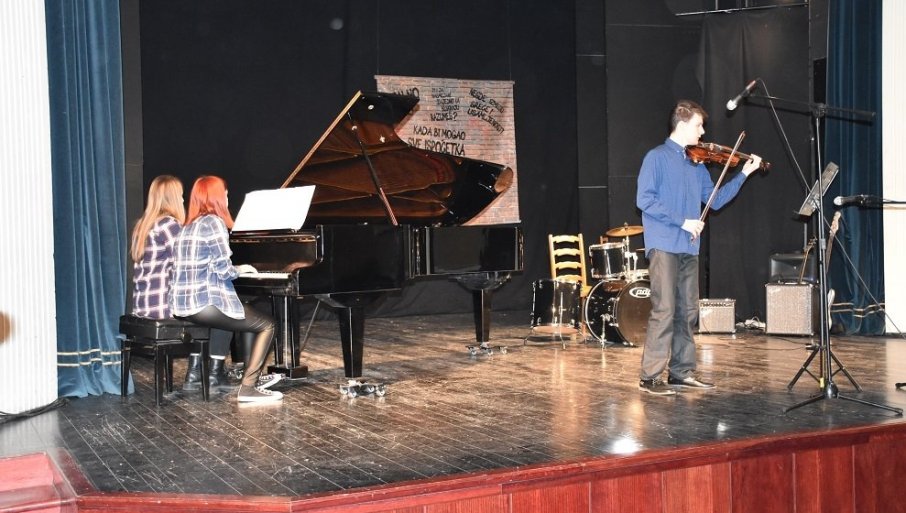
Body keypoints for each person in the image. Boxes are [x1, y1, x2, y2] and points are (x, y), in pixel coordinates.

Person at [636, 100, 762, 396]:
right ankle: (650, 377)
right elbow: (645, 199)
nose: (703, 132)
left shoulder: (697, 164)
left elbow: (715, 201)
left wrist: (744, 174)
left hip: (689, 247)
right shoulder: (656, 157)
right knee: (665, 309)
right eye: (698, 125)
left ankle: (681, 372)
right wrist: (683, 221)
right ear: (682, 125)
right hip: (664, 244)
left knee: (688, 311)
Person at [169, 175, 282, 404]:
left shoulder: (187, 226)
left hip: (182, 304)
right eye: (226, 194)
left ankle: (220, 375)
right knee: (268, 325)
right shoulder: (214, 223)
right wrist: (242, 269)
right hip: (203, 304)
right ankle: (249, 388)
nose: (228, 198)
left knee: (237, 312)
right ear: (217, 197)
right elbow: (224, 271)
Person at [130, 175, 185, 320]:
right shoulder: (169, 225)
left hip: (142, 307)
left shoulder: (142, 226)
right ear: (173, 199)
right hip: (162, 309)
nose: (183, 200)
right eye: (181, 196)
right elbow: (185, 263)